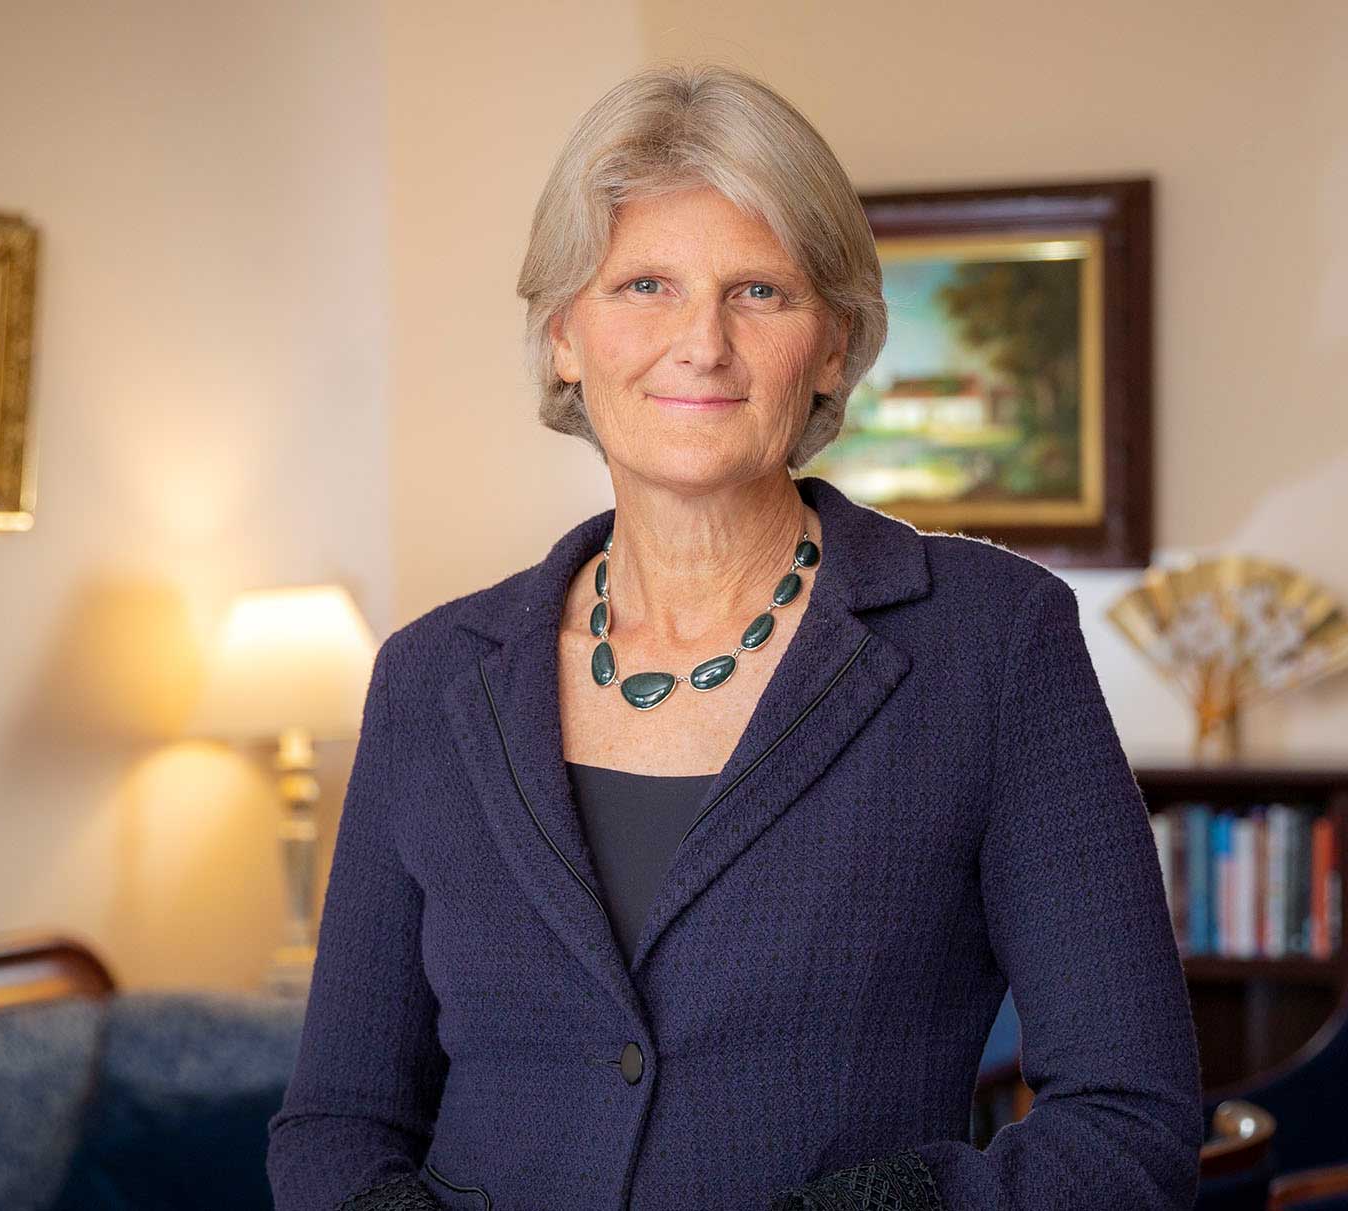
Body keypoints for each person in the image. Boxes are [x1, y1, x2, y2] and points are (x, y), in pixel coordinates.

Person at [267, 62, 1202, 1211]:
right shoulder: (430, 675)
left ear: (829, 345)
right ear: (564, 335)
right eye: (644, 285)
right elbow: (335, 1126)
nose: (699, 343)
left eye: (758, 291)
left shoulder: (993, 644)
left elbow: (1129, 1116)